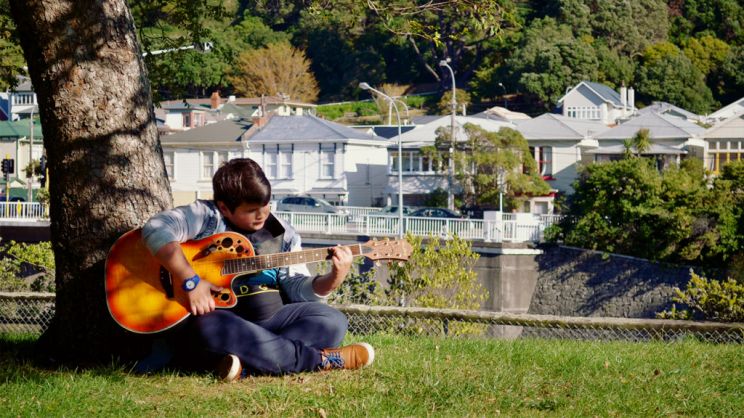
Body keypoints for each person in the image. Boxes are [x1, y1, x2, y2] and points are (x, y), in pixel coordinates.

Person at [139, 158, 374, 380]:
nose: (262, 213)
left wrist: (334, 277)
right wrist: (190, 281)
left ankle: (244, 365)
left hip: (271, 319)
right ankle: (319, 360)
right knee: (211, 327)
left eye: (266, 204)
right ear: (225, 207)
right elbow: (156, 229)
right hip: (220, 319)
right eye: (251, 210)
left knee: (332, 320)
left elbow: (296, 288)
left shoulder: (283, 233)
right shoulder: (206, 216)